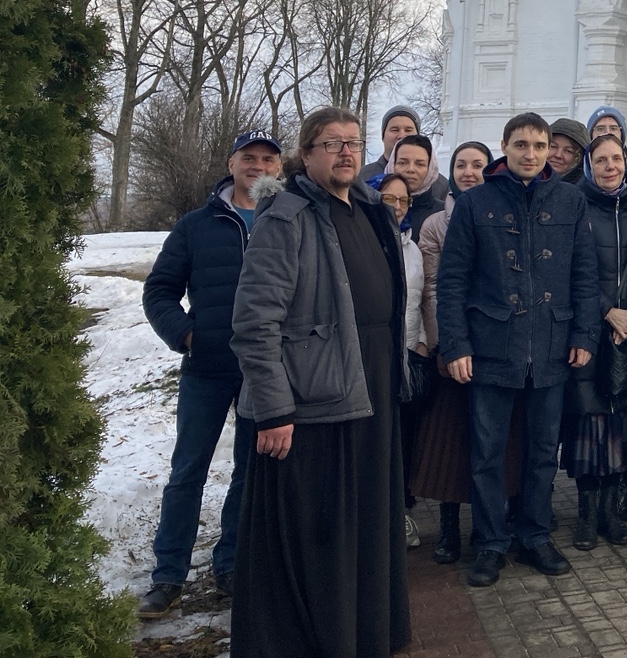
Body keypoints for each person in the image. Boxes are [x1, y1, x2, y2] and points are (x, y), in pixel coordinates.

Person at [228, 108, 410, 657]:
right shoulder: (287, 217)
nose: (347, 153)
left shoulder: (373, 212)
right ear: (305, 155)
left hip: (372, 382)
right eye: (333, 144)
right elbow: (254, 323)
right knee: (323, 535)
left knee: (368, 523)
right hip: (313, 401)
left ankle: (364, 636)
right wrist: (274, 409)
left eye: (354, 143)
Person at [437, 112, 600, 588]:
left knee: (543, 451)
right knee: (487, 451)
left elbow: (584, 276)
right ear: (504, 147)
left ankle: (534, 534)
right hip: (491, 347)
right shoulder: (475, 203)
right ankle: (489, 543)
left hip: (551, 345)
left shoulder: (569, 201)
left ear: (550, 149)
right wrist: (456, 344)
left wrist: (583, 336)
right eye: (522, 144)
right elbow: (452, 281)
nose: (531, 154)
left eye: (540, 145)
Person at [137, 130, 280, 618]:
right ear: (231, 163)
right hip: (207, 370)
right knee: (187, 473)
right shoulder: (197, 225)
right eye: (249, 158)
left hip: (263, 372)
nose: (258, 166)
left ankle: (231, 565)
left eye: (267, 159)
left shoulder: (285, 221)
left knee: (249, 472)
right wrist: (188, 336)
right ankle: (168, 575)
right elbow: (158, 290)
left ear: (279, 168)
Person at [412, 141, 524, 566]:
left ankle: (492, 525)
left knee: (496, 442)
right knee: (452, 442)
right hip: (453, 345)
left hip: (496, 347)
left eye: (478, 164)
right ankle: (448, 527)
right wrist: (446, 343)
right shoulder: (437, 224)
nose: (469, 171)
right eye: (461, 165)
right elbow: (437, 288)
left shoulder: (503, 213)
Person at [567, 133, 627, 550]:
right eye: (600, 159)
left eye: (616, 159)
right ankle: (587, 514)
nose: (610, 166)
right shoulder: (573, 205)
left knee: (621, 423)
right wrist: (608, 311)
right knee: (588, 420)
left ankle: (612, 511)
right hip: (588, 328)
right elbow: (570, 270)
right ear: (589, 165)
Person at [371, 172, 428, 549]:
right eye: (387, 199)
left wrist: (422, 341)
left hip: (408, 356)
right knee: (374, 440)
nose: (396, 207)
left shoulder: (413, 248)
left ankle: (402, 512)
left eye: (402, 201)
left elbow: (421, 296)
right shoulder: (363, 239)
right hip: (371, 357)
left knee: (404, 439)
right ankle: (373, 516)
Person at [358, 106, 449, 204]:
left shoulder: (441, 185)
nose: (401, 135)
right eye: (394, 130)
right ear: (383, 136)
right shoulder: (361, 178)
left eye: (408, 130)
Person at [386, 133, 445, 247]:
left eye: (420, 164)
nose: (410, 169)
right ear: (392, 164)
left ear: (430, 168)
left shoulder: (442, 215)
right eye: (403, 163)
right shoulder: (374, 208)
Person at [548, 117, 590, 184]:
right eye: (553, 147)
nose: (558, 155)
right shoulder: (527, 183)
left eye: (568, 151)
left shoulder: (583, 192)